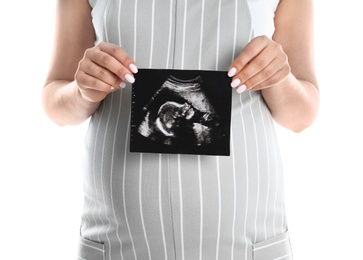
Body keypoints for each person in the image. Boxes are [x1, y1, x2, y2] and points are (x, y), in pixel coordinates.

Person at [42, 0, 319, 259]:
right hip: (117, 239)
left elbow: (302, 116)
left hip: (246, 238)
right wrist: (82, 91)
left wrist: (279, 78)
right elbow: (56, 102)